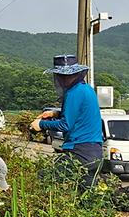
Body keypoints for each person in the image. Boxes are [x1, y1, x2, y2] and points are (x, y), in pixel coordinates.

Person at [29, 54, 103, 191]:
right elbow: (80, 114)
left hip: (80, 151)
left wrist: (40, 124)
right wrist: (53, 113)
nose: (62, 80)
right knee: (86, 195)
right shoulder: (86, 89)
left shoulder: (73, 93)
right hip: (95, 152)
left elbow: (65, 125)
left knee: (43, 178)